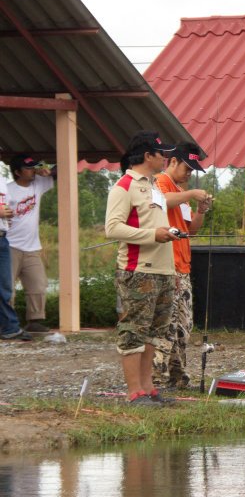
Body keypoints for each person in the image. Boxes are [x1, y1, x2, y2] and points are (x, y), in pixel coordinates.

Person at [104, 131, 180, 406]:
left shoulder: (155, 186)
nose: (166, 159)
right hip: (138, 270)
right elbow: (112, 227)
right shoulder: (124, 186)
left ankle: (149, 389)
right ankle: (134, 392)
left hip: (163, 271)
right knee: (133, 331)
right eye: (162, 154)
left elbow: (153, 220)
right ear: (148, 156)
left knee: (154, 333)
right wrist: (152, 235)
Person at [152, 143, 212, 388]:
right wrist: (189, 195)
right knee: (165, 325)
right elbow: (161, 202)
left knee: (183, 327)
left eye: (193, 170)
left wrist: (201, 210)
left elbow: (190, 230)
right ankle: (157, 377)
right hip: (166, 265)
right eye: (187, 168)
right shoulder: (159, 181)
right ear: (173, 162)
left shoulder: (180, 189)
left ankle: (177, 376)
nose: (189, 174)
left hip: (183, 266)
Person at [3, 155, 55, 333]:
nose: (33, 170)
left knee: (38, 285)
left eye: (34, 167)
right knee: (7, 287)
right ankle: (6, 324)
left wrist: (46, 169)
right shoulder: (9, 190)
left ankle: (35, 321)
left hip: (32, 246)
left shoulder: (38, 183)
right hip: (10, 245)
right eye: (28, 168)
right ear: (17, 172)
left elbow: (62, 172)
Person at [1, 176, 33, 341]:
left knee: (5, 287)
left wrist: (5, 221)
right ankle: (10, 326)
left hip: (2, 238)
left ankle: (9, 328)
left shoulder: (2, 181)